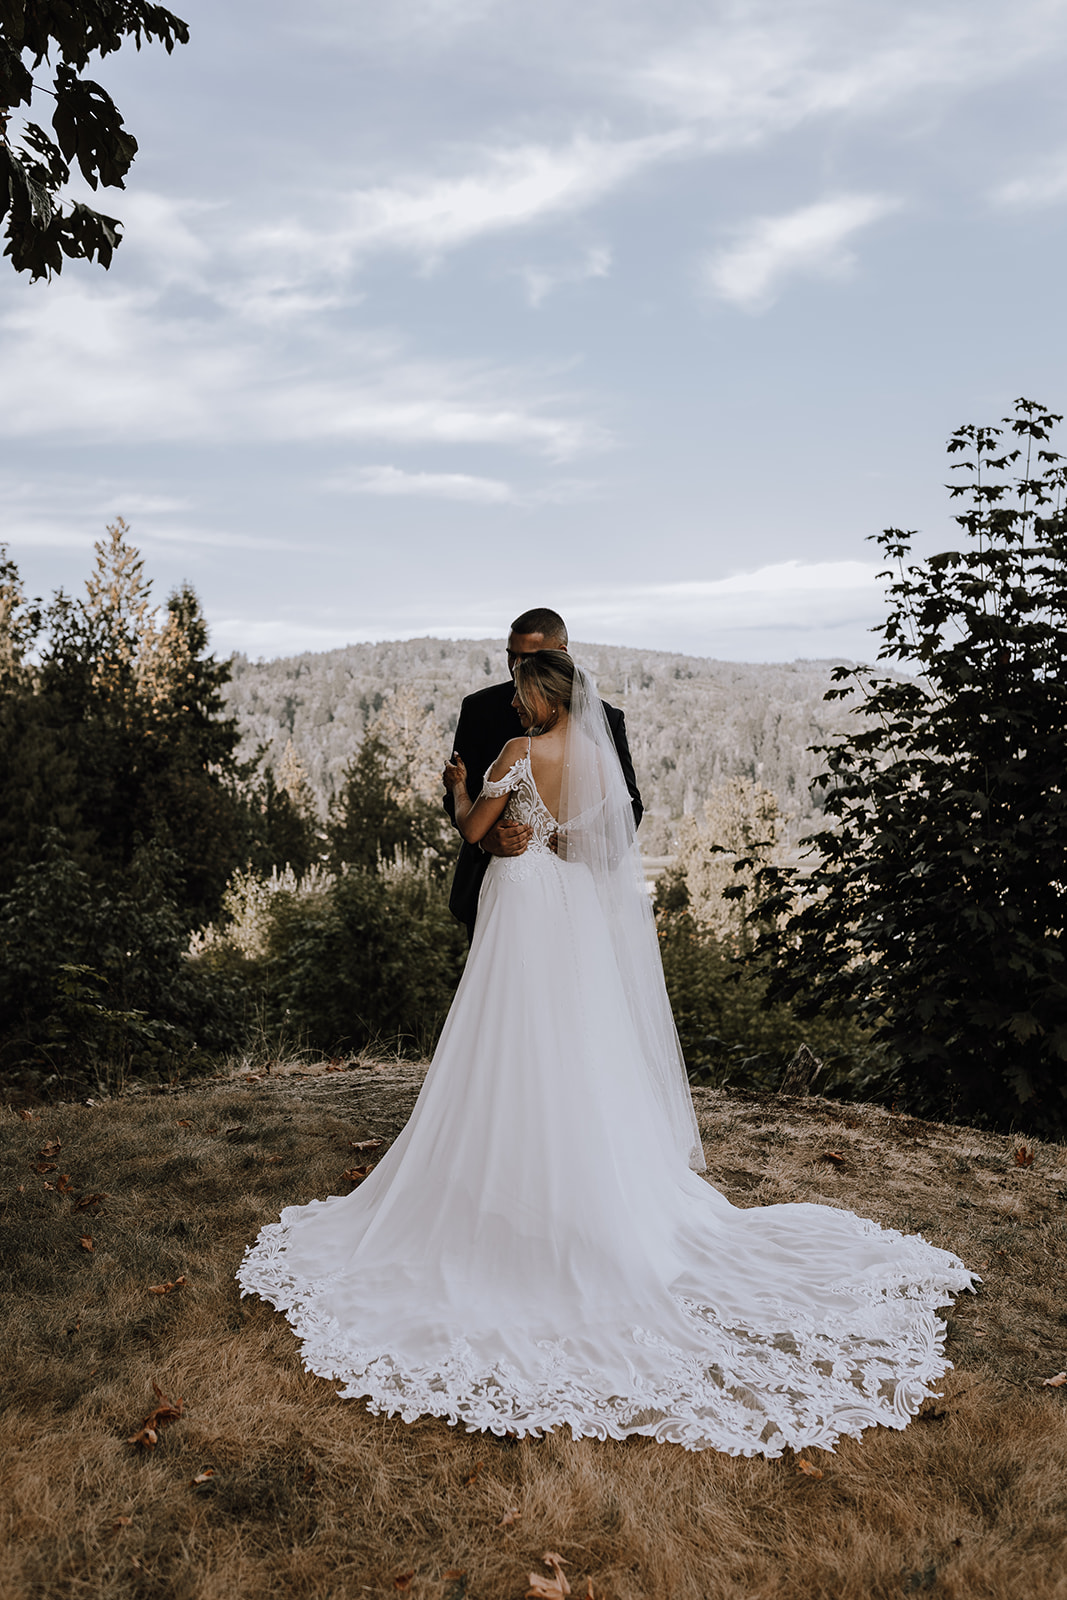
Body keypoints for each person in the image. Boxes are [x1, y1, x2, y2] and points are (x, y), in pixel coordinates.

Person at [237, 650, 976, 1455]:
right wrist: (548, 842)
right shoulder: (594, 757)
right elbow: (601, 852)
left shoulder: (514, 755)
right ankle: (575, 1186)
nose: (514, 704)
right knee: (573, 1046)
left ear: (541, 696)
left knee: (505, 1040)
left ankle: (506, 1183)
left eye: (521, 692)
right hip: (568, 909)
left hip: (521, 908)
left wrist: (459, 788)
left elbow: (476, 835)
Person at [444, 606, 641, 941]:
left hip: (575, 886)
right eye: (512, 656)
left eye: (528, 657)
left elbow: (629, 805)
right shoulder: (479, 709)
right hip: (497, 888)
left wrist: (596, 845)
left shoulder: (606, 720)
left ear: (560, 653)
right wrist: (485, 839)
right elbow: (457, 795)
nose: (517, 667)